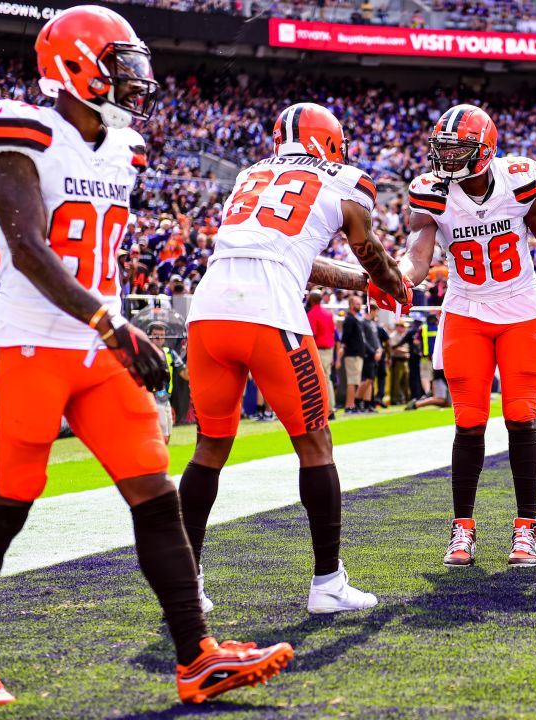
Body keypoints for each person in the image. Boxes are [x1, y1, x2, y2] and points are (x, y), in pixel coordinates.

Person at [0, 7, 291, 706]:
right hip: (31, 345)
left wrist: (111, 326)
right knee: (6, 507)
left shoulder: (125, 150)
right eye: (121, 64)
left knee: (154, 494)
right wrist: (111, 322)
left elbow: (102, 262)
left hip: (98, 350)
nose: (136, 80)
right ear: (75, 65)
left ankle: (197, 658)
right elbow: (29, 248)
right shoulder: (22, 131)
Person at [177, 102, 408, 616]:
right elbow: (366, 248)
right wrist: (394, 284)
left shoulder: (250, 174)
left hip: (209, 308)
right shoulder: (346, 178)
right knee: (315, 443)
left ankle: (186, 580)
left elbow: (288, 254)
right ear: (329, 141)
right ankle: (328, 583)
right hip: (270, 315)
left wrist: (366, 284)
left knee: (209, 447)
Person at [376, 103, 536, 568]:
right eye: (441, 149)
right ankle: (462, 529)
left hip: (521, 308)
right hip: (465, 310)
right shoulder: (432, 193)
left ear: (484, 150)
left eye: (457, 148)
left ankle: (527, 528)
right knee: (468, 422)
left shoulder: (520, 179)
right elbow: (418, 256)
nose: (445, 159)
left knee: (521, 417)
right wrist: (395, 278)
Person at [149, 322, 189, 444]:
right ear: (150, 336)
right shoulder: (145, 352)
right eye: (156, 335)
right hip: (152, 398)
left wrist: (191, 354)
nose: (159, 338)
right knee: (161, 434)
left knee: (167, 434)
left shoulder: (170, 353)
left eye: (162, 335)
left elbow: (186, 375)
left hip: (166, 399)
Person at [306, 290, 337, 420]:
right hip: (328, 349)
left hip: (318, 349)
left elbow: (312, 334)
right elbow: (332, 332)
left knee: (320, 379)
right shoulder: (328, 314)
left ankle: (327, 409)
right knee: (327, 378)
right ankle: (330, 408)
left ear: (311, 300)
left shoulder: (312, 314)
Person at [340, 296, 369, 414]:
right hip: (352, 354)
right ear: (351, 305)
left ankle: (352, 405)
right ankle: (349, 406)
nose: (359, 306)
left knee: (355, 381)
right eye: (357, 303)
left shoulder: (355, 319)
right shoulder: (349, 319)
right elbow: (345, 337)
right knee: (352, 381)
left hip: (357, 354)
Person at [389, 317, 412, 405]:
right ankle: (395, 400)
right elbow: (394, 348)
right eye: (402, 326)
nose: (404, 328)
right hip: (397, 360)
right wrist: (407, 351)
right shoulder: (393, 336)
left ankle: (407, 399)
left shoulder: (404, 335)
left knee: (405, 381)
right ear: (398, 326)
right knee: (396, 382)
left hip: (405, 360)